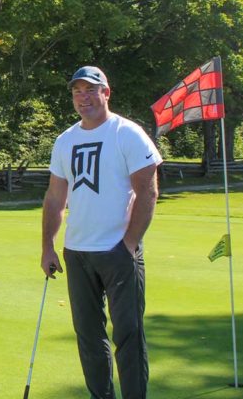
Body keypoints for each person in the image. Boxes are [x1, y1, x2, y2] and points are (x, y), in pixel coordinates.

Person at [40, 66, 162, 399]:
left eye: (91, 90)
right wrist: (48, 247)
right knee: (89, 337)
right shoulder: (65, 140)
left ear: (106, 93)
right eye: (78, 92)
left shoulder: (127, 133)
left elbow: (148, 189)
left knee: (129, 334)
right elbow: (55, 197)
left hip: (118, 251)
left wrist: (130, 243)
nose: (84, 98)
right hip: (77, 252)